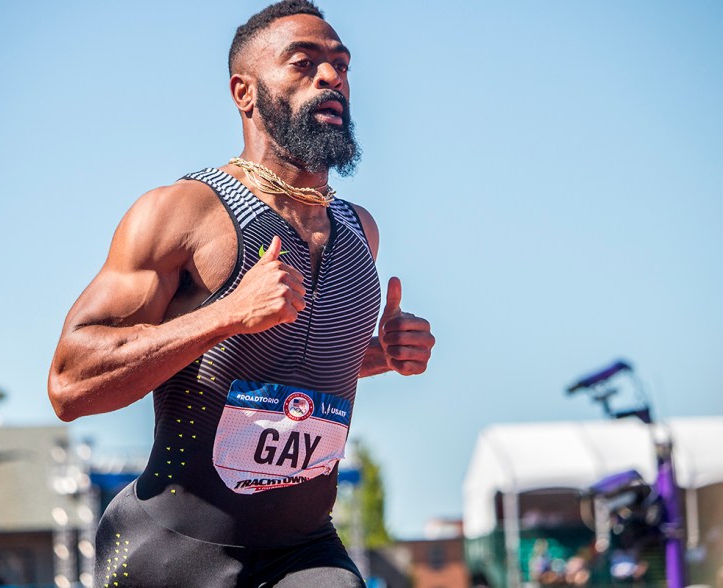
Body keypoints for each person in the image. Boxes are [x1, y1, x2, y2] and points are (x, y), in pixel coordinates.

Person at [48, 1, 434, 586]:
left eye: (341, 65)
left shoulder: (361, 230)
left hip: (304, 550)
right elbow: (69, 384)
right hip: (172, 549)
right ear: (244, 93)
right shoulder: (182, 213)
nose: (331, 78)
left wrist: (379, 353)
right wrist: (225, 315)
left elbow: (274, 362)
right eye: (304, 64)